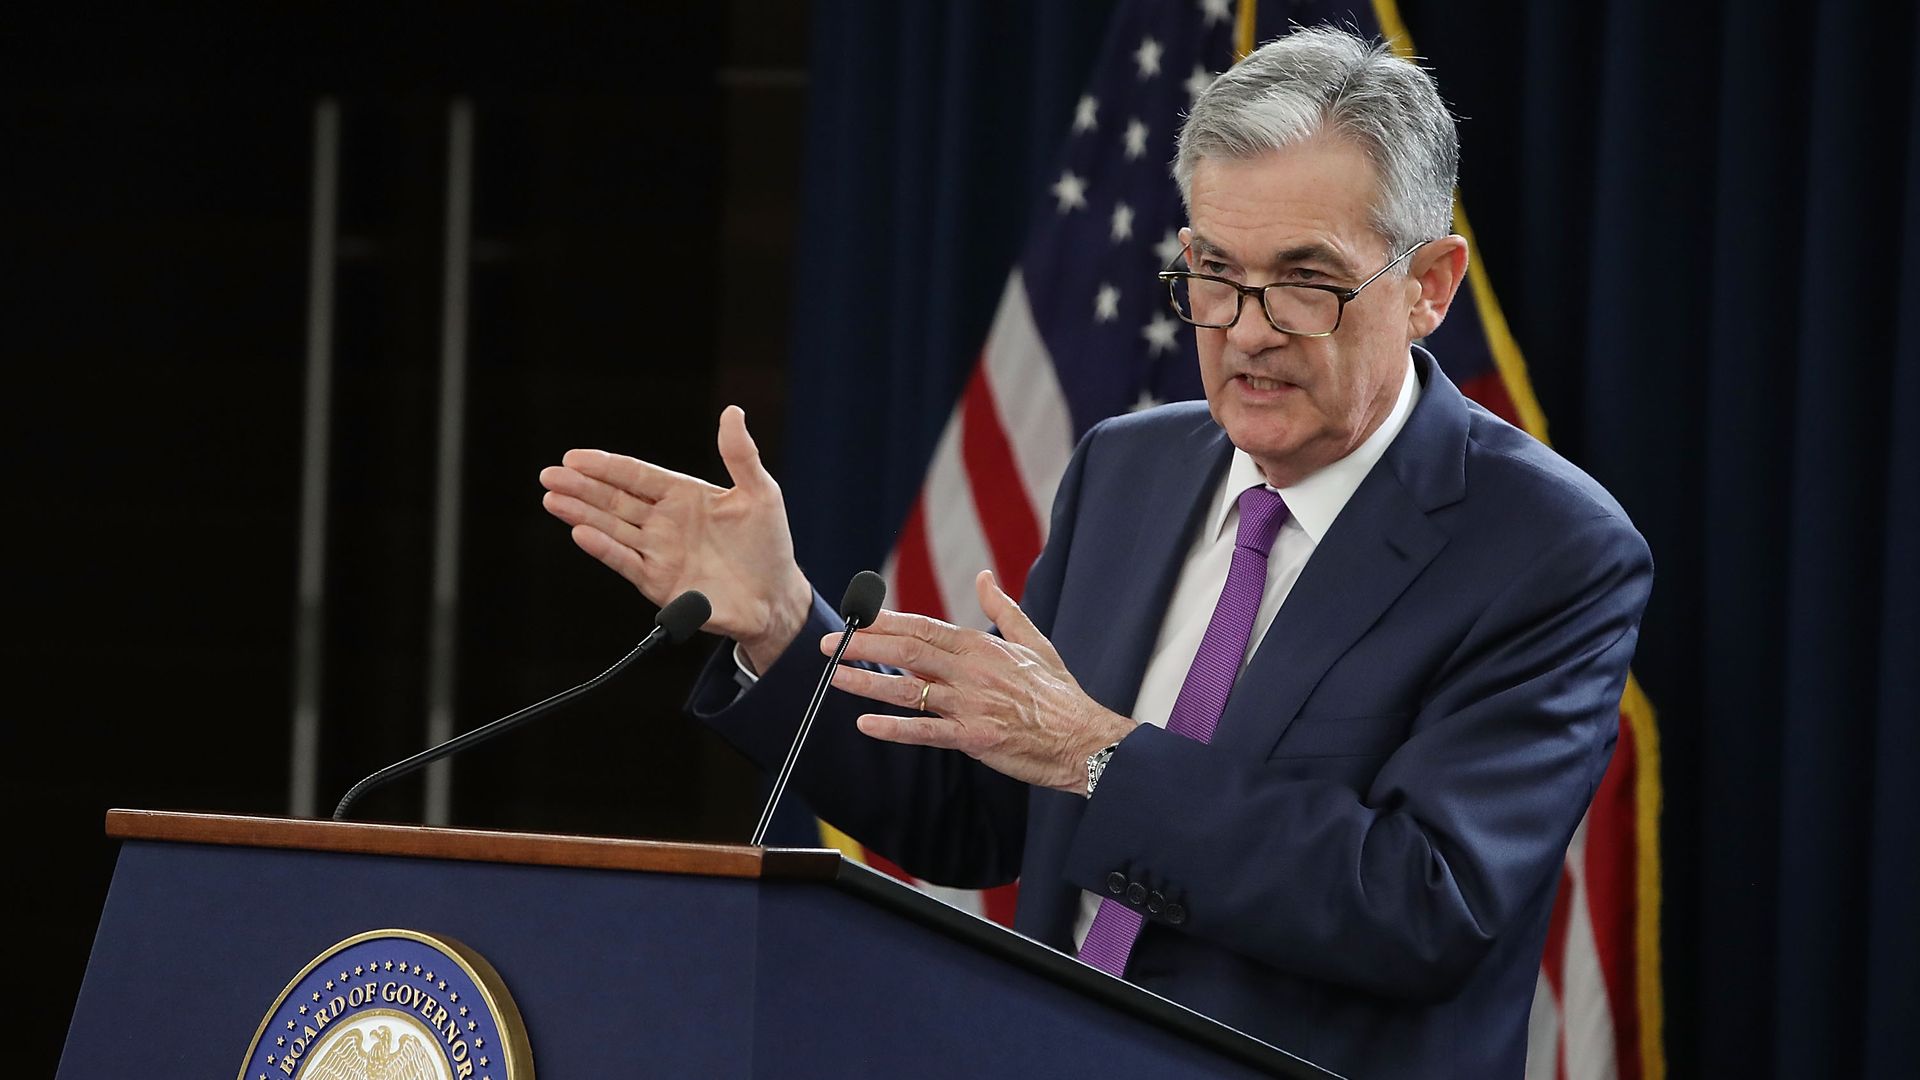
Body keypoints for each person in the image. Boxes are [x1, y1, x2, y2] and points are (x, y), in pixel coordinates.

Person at [539, 27, 1651, 1079]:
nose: (1246, 327)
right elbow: (979, 810)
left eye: (1305, 283)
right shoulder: (1131, 469)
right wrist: (788, 627)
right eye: (1213, 273)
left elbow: (1425, 903)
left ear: (1429, 286)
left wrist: (1103, 758)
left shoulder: (1549, 550)